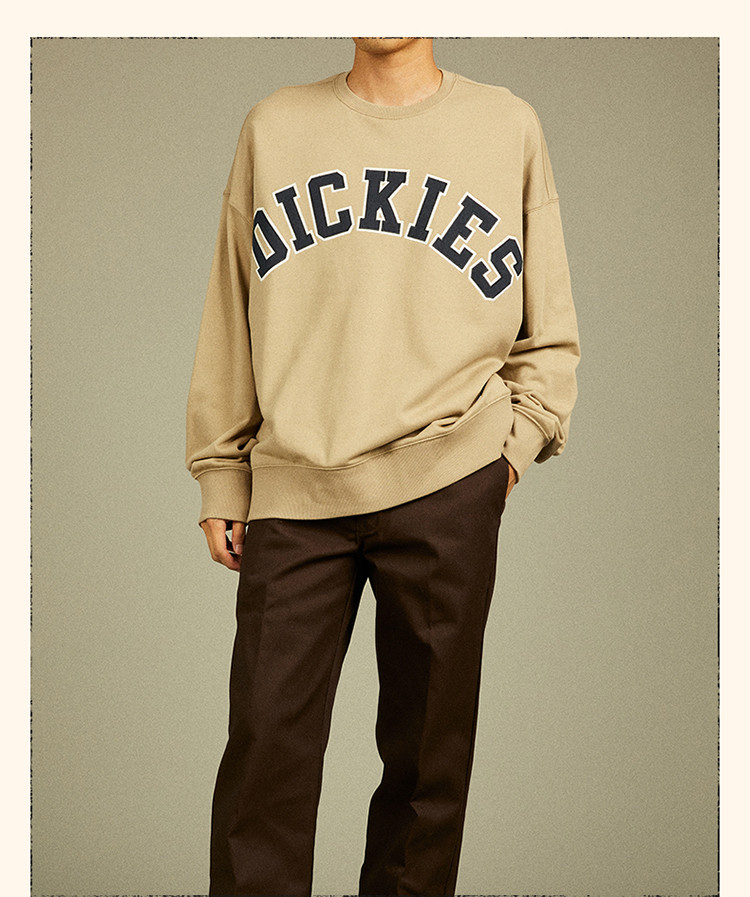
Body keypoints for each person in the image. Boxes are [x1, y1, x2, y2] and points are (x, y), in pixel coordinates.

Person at [186, 37, 579, 897]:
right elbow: (231, 307)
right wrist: (221, 468)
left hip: (449, 482)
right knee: (263, 762)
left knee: (427, 773)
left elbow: (548, 331)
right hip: (296, 487)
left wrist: (507, 457)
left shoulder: (505, 126)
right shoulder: (275, 126)